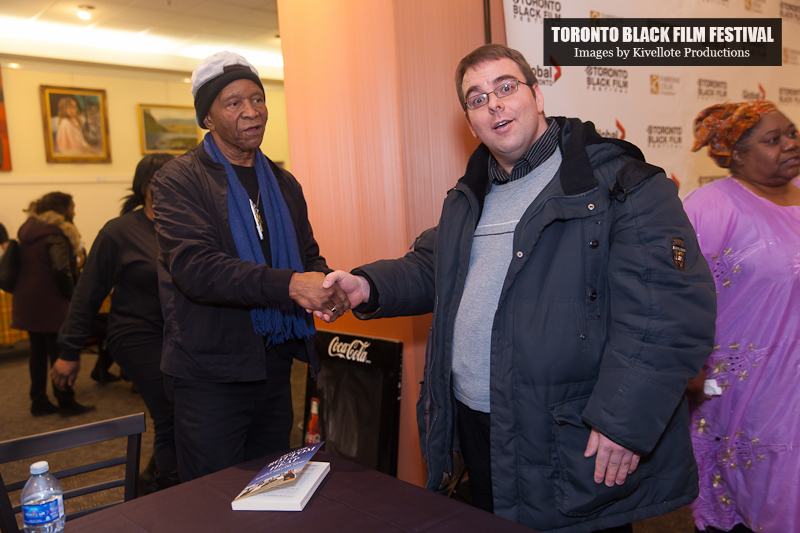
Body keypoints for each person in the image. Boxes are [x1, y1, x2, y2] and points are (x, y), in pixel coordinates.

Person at [324, 44, 716, 533]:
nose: (494, 104)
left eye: (506, 87)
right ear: (471, 123)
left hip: (574, 430)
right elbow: (433, 265)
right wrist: (366, 284)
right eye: (477, 99)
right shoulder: (470, 196)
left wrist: (623, 421)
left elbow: (669, 311)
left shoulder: (620, 182)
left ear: (537, 95)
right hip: (479, 425)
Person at [150, 51, 350, 482]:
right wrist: (292, 285)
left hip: (274, 365)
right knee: (213, 495)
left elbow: (307, 255)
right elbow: (198, 269)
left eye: (257, 99)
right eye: (234, 102)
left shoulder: (282, 182)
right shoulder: (178, 181)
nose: (251, 111)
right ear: (207, 118)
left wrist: (327, 286)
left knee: (270, 486)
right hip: (210, 373)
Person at [684, 102, 800, 533]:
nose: (791, 144)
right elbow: (673, 294)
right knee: (765, 494)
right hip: (748, 391)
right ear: (736, 154)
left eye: (792, 132)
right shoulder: (711, 207)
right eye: (774, 139)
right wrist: (688, 371)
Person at [52, 153, 180, 493]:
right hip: (137, 335)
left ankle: (152, 479)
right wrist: (69, 351)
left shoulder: (189, 226)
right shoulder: (119, 232)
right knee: (170, 411)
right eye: (161, 180)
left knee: (191, 413)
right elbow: (87, 294)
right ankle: (169, 491)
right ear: (144, 187)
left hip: (181, 336)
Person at [11, 192, 95, 417]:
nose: (74, 212)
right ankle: (66, 401)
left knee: (37, 352)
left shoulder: (28, 231)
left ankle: (38, 401)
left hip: (28, 300)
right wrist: (72, 296)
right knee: (60, 351)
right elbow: (60, 269)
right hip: (51, 302)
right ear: (63, 209)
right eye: (72, 207)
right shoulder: (56, 234)